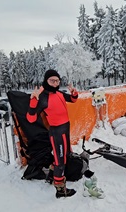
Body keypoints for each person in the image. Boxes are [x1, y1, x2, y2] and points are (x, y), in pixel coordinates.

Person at [26, 69, 78, 198]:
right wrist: (33, 101)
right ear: (46, 80)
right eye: (52, 81)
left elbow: (72, 99)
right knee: (61, 160)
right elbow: (31, 118)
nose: (55, 83)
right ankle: (60, 190)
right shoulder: (43, 97)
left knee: (66, 155)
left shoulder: (58, 93)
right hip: (56, 132)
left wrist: (74, 92)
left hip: (65, 129)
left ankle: (51, 176)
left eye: (57, 81)